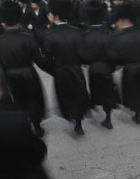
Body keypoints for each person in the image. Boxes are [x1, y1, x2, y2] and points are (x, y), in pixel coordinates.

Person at [0, 0, 50, 137]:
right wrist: (54, 70)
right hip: (29, 73)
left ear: (3, 22)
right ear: (19, 19)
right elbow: (40, 60)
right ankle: (37, 126)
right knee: (33, 99)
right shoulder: (28, 38)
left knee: (18, 101)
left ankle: (23, 125)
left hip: (9, 76)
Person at [41, 0, 90, 135]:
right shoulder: (77, 32)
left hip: (60, 70)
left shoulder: (49, 35)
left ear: (55, 15)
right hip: (76, 69)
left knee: (65, 96)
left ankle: (71, 117)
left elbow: (46, 59)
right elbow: (84, 54)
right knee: (78, 94)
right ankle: (79, 122)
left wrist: (53, 70)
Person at [79, 0, 117, 129]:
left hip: (93, 69)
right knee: (108, 94)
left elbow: (83, 57)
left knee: (95, 91)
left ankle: (94, 106)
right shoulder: (109, 34)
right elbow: (114, 54)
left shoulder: (85, 36)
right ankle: (108, 118)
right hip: (107, 68)